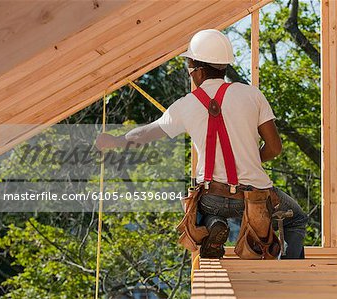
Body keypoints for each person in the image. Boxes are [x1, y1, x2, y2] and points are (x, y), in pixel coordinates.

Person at [96, 29, 308, 259]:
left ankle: (213, 224)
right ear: (225, 65)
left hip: (212, 197)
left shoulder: (185, 105)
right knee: (295, 219)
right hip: (253, 198)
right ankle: (289, 265)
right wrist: (248, 160)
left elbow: (146, 134)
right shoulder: (252, 95)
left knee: (198, 203)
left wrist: (116, 140)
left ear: (197, 71)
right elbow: (275, 148)